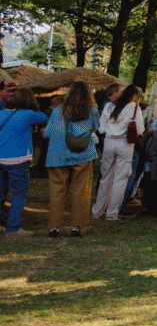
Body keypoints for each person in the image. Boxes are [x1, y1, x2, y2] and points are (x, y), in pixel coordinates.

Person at [45, 82, 100, 238]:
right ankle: (76, 227)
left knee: (56, 192)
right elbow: (95, 127)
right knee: (80, 192)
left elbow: (47, 132)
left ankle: (54, 228)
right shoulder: (92, 110)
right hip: (83, 154)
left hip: (58, 156)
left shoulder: (57, 111)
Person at [0, 89, 49, 237]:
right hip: (18, 159)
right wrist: (34, 107)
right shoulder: (29, 114)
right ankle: (13, 228)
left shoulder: (2, 113)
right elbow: (45, 118)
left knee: (0, 193)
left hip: (1, 158)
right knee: (19, 194)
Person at [91, 84, 144, 223]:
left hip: (108, 141)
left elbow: (101, 128)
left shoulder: (109, 106)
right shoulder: (133, 107)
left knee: (105, 178)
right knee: (120, 179)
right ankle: (112, 213)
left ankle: (97, 211)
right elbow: (140, 129)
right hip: (125, 143)